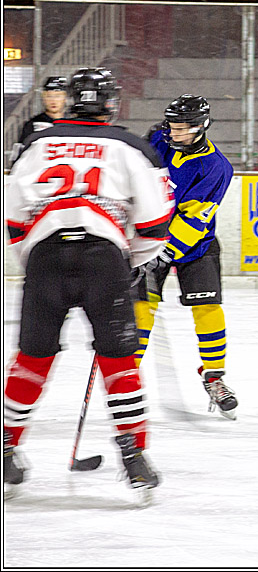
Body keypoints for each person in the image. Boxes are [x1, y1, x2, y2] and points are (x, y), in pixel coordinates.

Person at [3, 67, 173, 494]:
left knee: (32, 359)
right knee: (119, 361)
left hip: (45, 258)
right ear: (111, 104)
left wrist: (39, 254)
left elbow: (13, 216)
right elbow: (154, 224)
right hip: (104, 261)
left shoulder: (37, 142)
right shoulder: (131, 147)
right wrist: (126, 261)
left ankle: (5, 449)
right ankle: (134, 457)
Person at [132, 94, 238, 419]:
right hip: (151, 239)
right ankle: (126, 374)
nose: (173, 134)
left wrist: (162, 253)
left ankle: (214, 377)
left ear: (201, 127)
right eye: (171, 127)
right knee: (141, 307)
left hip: (195, 247)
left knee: (207, 307)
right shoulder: (158, 141)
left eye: (181, 129)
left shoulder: (217, 167)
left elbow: (194, 218)